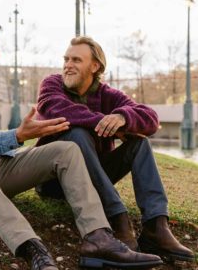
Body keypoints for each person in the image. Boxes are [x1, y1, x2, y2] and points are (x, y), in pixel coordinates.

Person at [0, 15, 163, 270]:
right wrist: (16, 136)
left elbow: (148, 118)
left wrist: (122, 119)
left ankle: (97, 238)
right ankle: (32, 248)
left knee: (68, 149)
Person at [36, 35, 194, 262]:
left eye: (76, 60)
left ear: (95, 66)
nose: (68, 65)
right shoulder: (52, 84)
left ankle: (155, 226)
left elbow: (150, 118)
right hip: (55, 181)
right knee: (77, 133)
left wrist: (122, 117)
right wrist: (105, 121)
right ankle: (118, 220)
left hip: (95, 176)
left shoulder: (108, 95)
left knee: (139, 143)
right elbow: (56, 110)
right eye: (66, 59)